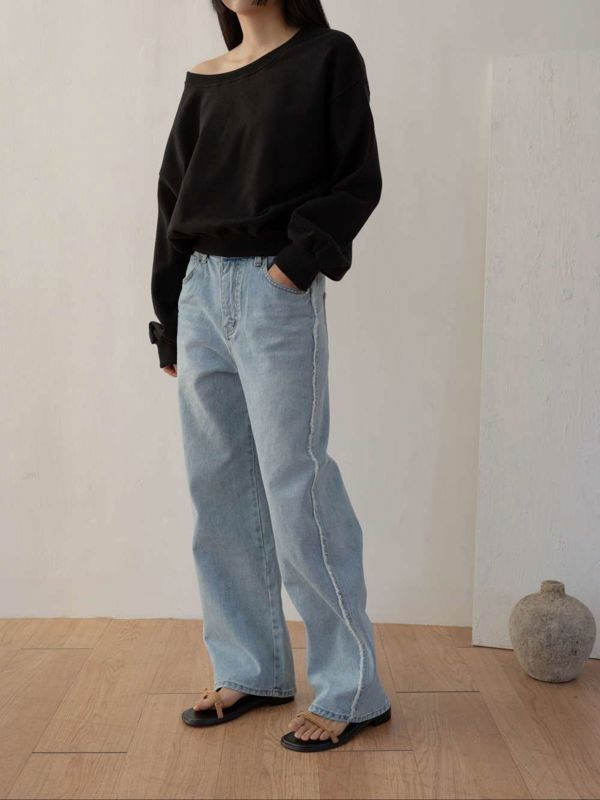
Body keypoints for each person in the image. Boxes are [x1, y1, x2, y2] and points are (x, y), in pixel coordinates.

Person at [148, 0, 391, 752]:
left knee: (297, 482)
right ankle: (251, 669)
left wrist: (296, 263)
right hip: (200, 295)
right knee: (218, 488)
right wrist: (169, 317)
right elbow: (171, 201)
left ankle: (353, 687)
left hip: (274, 292)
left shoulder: (327, 55)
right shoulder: (205, 78)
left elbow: (357, 177)